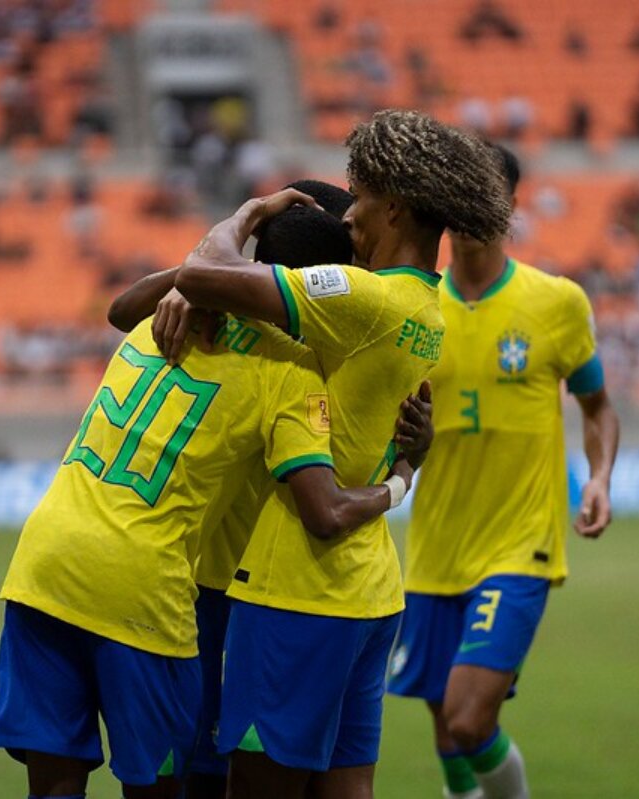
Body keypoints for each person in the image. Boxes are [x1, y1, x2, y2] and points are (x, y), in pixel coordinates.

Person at [144, 110, 513, 799]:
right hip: (369, 590)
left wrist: (249, 215)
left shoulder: (362, 298)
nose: (350, 219)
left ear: (395, 207)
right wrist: (404, 473)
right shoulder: (429, 310)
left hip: (293, 592)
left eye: (362, 198)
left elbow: (203, 273)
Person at [0, 264, 432, 798]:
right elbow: (326, 509)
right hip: (162, 586)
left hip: (42, 565)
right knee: (179, 784)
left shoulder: (159, 318)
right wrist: (404, 475)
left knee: (54, 787)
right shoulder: (288, 368)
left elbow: (120, 306)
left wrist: (199, 269)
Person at [110, 180, 379, 799]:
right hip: (248, 595)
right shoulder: (305, 355)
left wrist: (193, 277)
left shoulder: (218, 317)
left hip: (208, 586)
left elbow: (122, 311)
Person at [386, 144, 621, 799]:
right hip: (435, 547)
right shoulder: (414, 308)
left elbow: (598, 406)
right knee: (445, 726)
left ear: (508, 204)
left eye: (480, 193)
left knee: (468, 716)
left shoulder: (556, 303)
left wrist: (598, 476)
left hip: (520, 543)